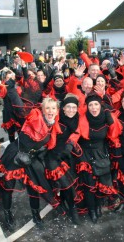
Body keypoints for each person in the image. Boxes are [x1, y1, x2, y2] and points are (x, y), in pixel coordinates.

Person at [0, 97, 64, 230]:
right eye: (47, 108)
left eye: (53, 108)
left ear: (57, 111)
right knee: (8, 186)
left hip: (31, 158)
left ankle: (35, 215)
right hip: (16, 154)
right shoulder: (35, 116)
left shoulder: (53, 125)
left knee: (34, 187)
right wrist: (12, 91)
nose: (50, 111)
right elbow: (23, 110)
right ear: (42, 109)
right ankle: (7, 213)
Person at [70, 92, 121, 223]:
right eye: (90, 105)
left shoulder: (106, 116)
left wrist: (111, 121)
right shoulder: (82, 118)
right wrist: (67, 146)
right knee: (89, 184)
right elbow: (75, 135)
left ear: (100, 105)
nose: (93, 107)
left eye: (96, 104)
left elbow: (114, 134)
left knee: (101, 181)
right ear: (87, 106)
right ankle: (92, 210)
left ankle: (98, 205)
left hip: (101, 152)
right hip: (85, 154)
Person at [44, 94, 81, 225]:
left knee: (68, 185)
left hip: (68, 157)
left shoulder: (78, 119)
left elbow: (77, 133)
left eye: (74, 107)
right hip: (53, 157)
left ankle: (67, 205)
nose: (71, 110)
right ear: (63, 109)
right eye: (68, 107)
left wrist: (69, 145)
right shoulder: (56, 119)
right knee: (67, 185)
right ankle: (72, 210)